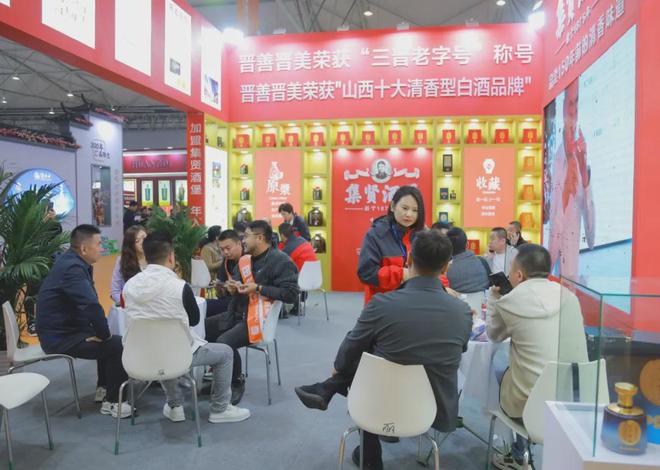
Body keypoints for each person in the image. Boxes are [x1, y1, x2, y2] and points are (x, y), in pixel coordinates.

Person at [295, 230, 472, 469]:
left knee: (367, 360)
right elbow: (460, 349)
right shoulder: (462, 311)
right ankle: (330, 389)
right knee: (378, 358)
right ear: (446, 268)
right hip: (432, 406)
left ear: (409, 260)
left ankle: (368, 454)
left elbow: (350, 348)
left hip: (380, 403)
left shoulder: (382, 304)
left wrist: (339, 369)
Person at [122, 232, 250, 424]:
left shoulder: (129, 285)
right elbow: (194, 320)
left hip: (139, 355)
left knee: (162, 348)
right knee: (224, 353)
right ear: (171, 256)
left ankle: (175, 406)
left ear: (146, 256)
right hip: (177, 355)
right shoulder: (180, 287)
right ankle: (220, 409)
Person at [487, 244, 588, 470]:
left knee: (499, 363)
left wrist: (494, 299)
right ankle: (521, 452)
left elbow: (493, 335)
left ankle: (517, 453)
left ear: (519, 275)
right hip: (573, 403)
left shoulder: (510, 301)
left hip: (528, 409)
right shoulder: (569, 296)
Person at [36, 224, 130, 418]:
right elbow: (90, 305)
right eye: (99, 244)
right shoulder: (72, 268)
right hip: (59, 337)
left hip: (66, 330)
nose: (102, 248)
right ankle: (115, 402)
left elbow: (89, 302)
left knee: (106, 339)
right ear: (84, 249)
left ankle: (104, 388)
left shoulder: (75, 263)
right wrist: (104, 334)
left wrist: (99, 332)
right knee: (117, 344)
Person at [205, 220, 299, 404]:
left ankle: (235, 382)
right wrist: (232, 288)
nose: (243, 240)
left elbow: (291, 295)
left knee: (224, 341)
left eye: (246, 236)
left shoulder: (281, 261)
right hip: (236, 313)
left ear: (260, 238)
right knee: (202, 329)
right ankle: (222, 378)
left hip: (260, 320)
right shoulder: (244, 260)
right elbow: (237, 285)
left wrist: (259, 288)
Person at [547, 79, 595, 278]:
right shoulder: (553, 157)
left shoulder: (582, 155)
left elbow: (591, 237)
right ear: (563, 107)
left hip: (571, 267)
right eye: (570, 103)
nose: (573, 111)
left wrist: (583, 168)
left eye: (576, 104)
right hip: (549, 262)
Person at [357, 185, 426, 305]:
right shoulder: (376, 234)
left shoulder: (422, 235)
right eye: (405, 208)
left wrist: (442, 288)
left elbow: (434, 269)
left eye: (415, 210)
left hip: (413, 303)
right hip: (382, 304)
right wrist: (400, 274)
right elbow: (366, 273)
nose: (409, 214)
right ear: (393, 206)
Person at [279, 222, 318, 317]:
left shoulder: (289, 248)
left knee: (279, 277)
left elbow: (278, 264)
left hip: (301, 281)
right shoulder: (303, 241)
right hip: (315, 279)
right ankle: (296, 305)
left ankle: (283, 310)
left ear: (282, 235)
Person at [206, 229, 244, 317]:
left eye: (228, 248)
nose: (225, 252)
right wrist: (219, 288)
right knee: (204, 306)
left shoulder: (248, 260)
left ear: (239, 244)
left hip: (242, 304)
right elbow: (220, 287)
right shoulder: (226, 261)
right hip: (229, 301)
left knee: (206, 308)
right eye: (222, 249)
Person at [110, 225, 147, 306]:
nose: (142, 242)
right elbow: (115, 292)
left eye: (144, 238)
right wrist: (128, 305)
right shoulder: (122, 260)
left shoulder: (155, 258)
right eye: (137, 240)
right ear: (130, 244)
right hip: (130, 307)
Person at [446, 227, 490, 293]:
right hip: (482, 299)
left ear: (447, 247)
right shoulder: (482, 262)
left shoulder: (444, 269)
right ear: (467, 244)